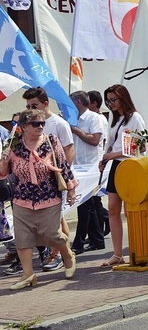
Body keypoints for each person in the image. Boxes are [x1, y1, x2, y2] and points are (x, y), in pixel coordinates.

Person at [0, 109, 78, 289]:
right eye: (36, 124)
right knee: (23, 238)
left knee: (51, 233)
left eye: (42, 123)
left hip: (49, 196)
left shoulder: (51, 141)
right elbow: (3, 173)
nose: (40, 127)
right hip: (22, 198)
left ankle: (67, 254)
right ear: (24, 126)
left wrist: (71, 189)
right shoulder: (14, 145)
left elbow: (63, 165)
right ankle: (28, 275)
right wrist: (4, 158)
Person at [99, 84, 148, 267]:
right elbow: (112, 143)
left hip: (131, 165)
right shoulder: (114, 119)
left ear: (123, 98)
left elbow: (139, 146)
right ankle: (117, 254)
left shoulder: (135, 118)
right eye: (108, 101)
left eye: (113, 100)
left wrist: (113, 155)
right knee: (113, 208)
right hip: (117, 165)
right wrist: (106, 158)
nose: (110, 104)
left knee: (135, 210)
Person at [22, 87, 75, 272]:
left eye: (34, 105)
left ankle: (58, 254)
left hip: (54, 181)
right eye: (27, 106)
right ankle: (62, 252)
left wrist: (63, 177)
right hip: (35, 185)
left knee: (55, 221)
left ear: (46, 104)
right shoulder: (28, 124)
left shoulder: (58, 124)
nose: (30, 109)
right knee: (50, 222)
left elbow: (68, 150)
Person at [69, 91, 107, 255]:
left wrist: (76, 130)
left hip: (92, 166)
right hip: (79, 166)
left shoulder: (94, 118)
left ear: (78, 102)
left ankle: (79, 242)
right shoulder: (74, 118)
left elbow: (95, 140)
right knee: (88, 205)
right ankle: (96, 239)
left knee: (86, 205)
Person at [88, 90, 110, 236]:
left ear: (95, 103)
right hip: (98, 161)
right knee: (94, 199)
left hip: (99, 161)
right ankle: (103, 222)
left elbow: (101, 141)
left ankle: (104, 221)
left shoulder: (99, 119)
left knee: (94, 198)